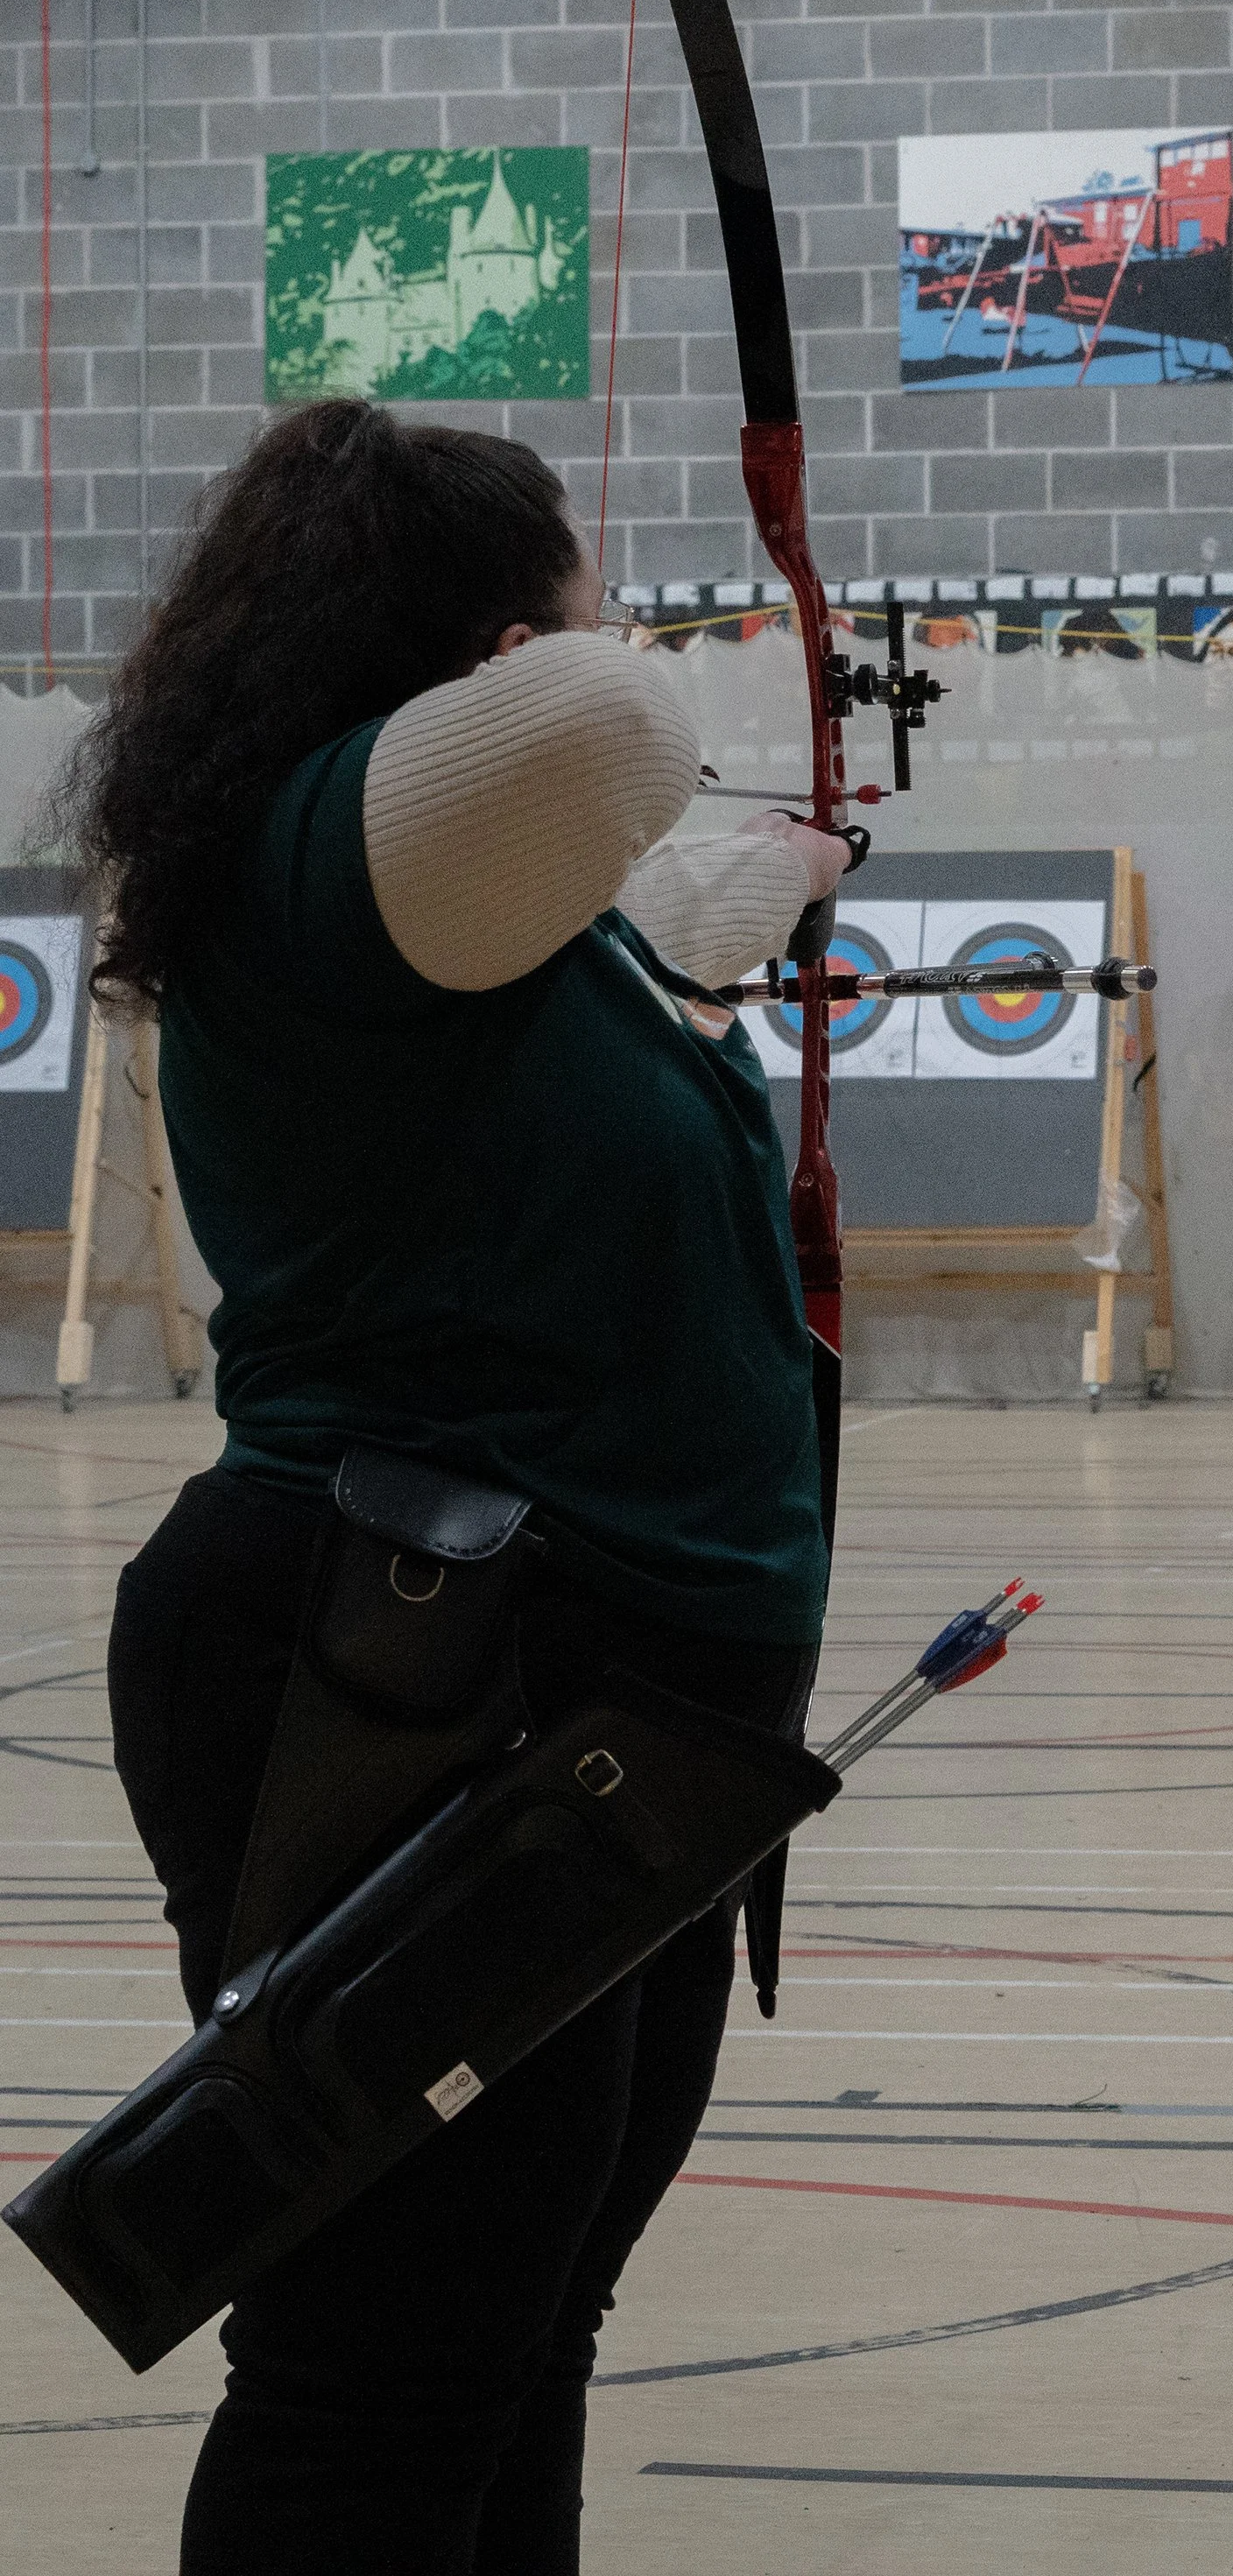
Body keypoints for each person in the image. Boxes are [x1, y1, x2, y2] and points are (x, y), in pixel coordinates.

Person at [59, 396, 851, 2575]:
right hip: (417, 1672)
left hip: (592, 1701)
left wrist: (745, 881)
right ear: (484, 647)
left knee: (519, 2324)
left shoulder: (427, 908)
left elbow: (588, 917)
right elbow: (601, 730)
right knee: (383, 2366)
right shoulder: (344, 853)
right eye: (562, 614)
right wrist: (611, 684)